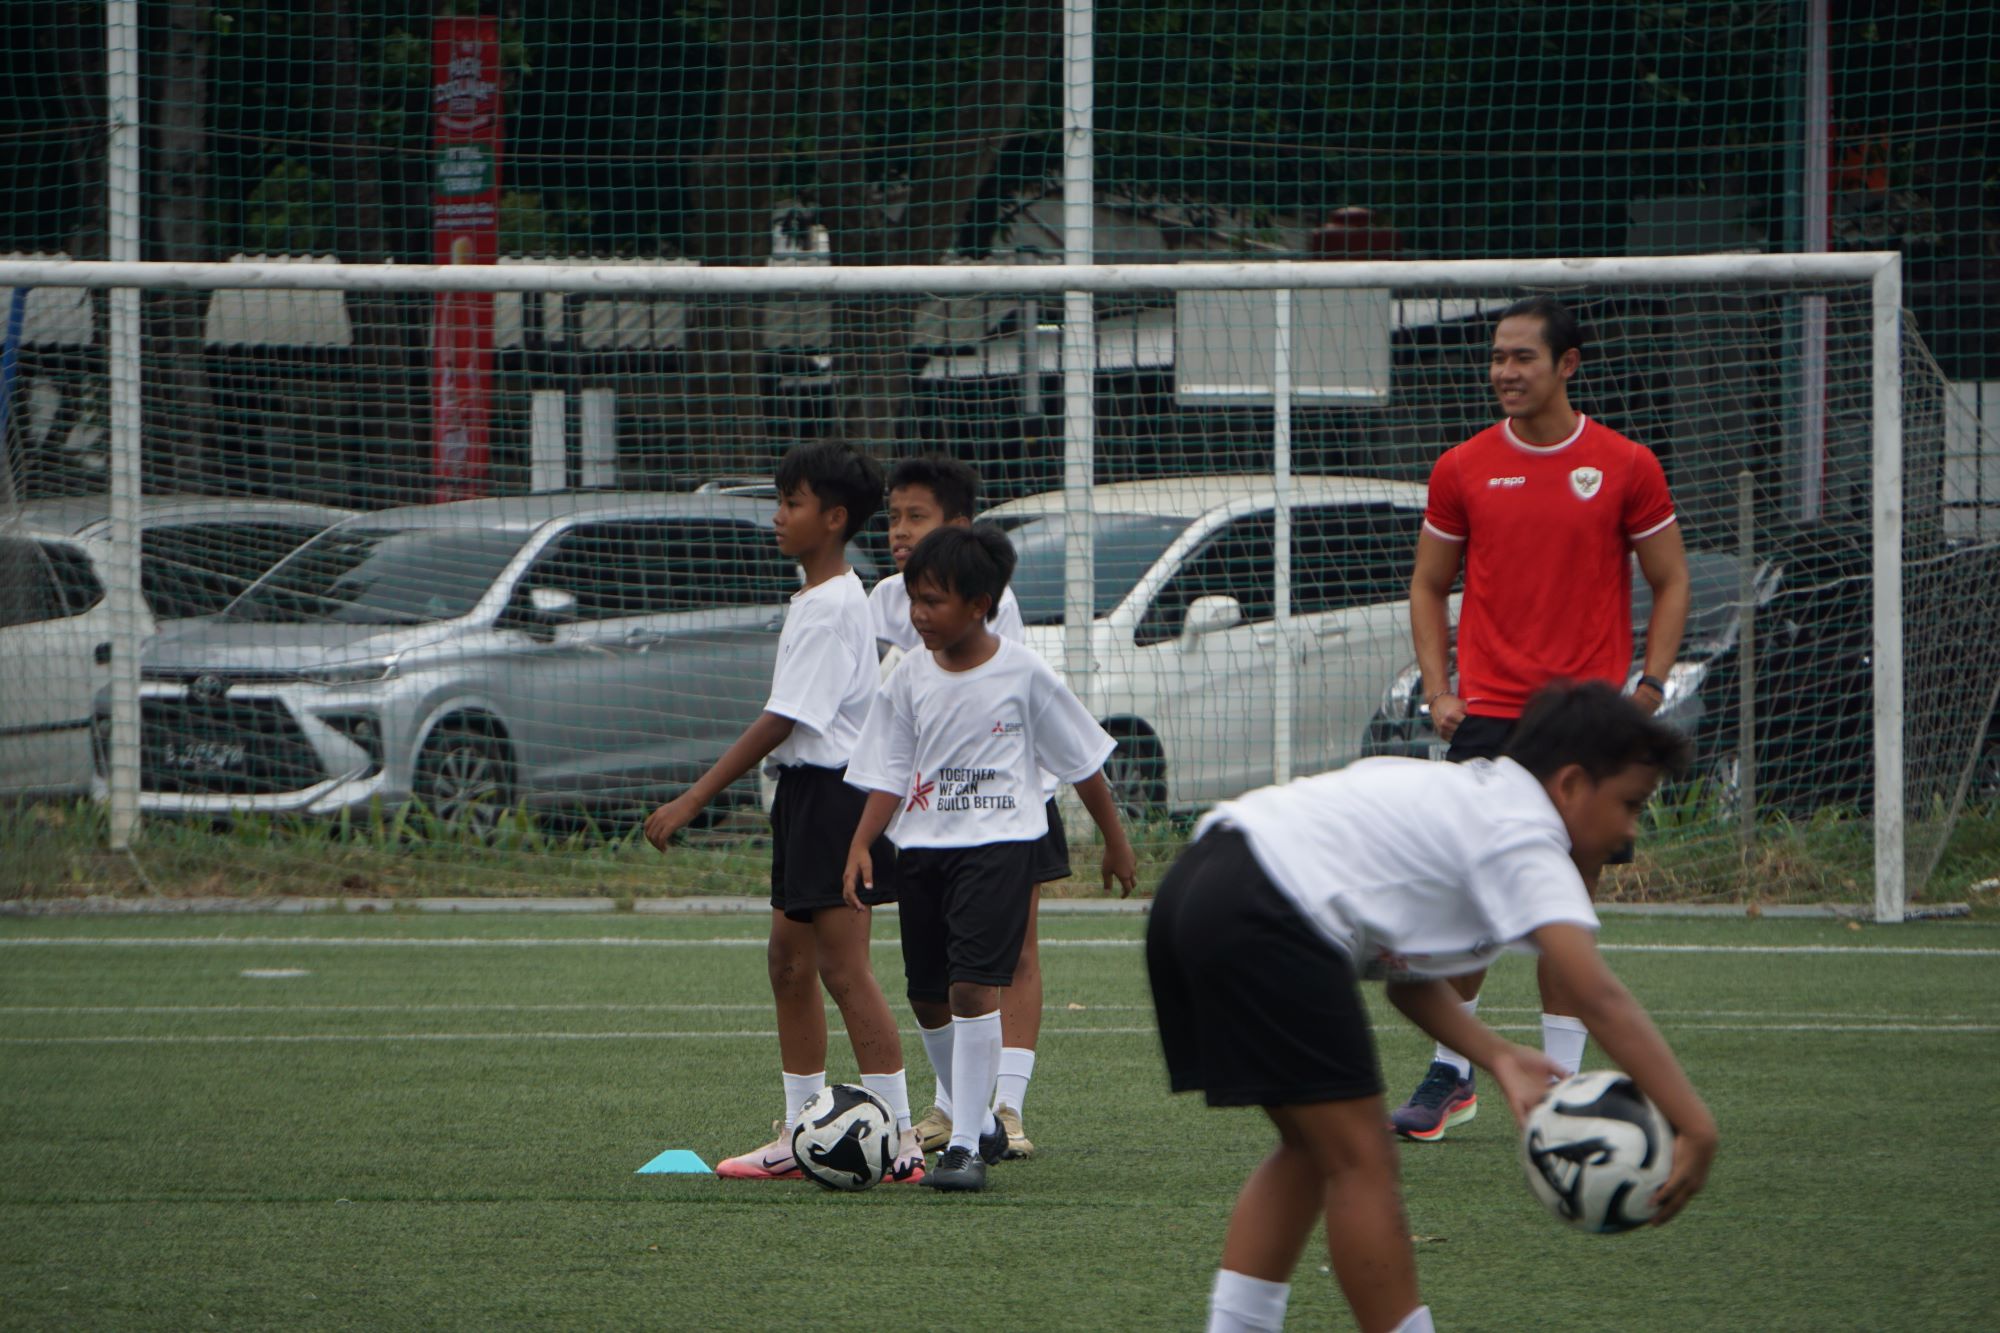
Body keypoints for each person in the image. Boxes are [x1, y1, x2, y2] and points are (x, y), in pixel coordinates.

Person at [1146, 682, 1718, 1333]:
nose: (1629, 829)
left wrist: (1498, 1055)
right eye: (1629, 803)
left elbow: (1406, 980)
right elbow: (1594, 990)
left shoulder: (1474, 801)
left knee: (1313, 1147)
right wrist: (1695, 1123)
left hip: (1198, 885)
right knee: (1363, 1157)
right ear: (1570, 784)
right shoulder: (1525, 830)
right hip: (1265, 902)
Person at [1394, 295, 1692, 1142]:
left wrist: (1649, 688)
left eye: (1522, 357)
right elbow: (1428, 583)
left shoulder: (1626, 464)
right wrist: (1438, 686)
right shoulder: (1462, 466)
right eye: (1496, 357)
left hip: (1588, 720)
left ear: (1568, 365)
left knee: (1567, 897)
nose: (1504, 372)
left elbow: (1670, 579)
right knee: (1468, 896)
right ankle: (1453, 1074)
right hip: (1488, 713)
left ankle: (1562, 1084)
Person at [642, 440, 922, 1184]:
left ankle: (900, 1141)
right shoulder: (817, 598)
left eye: (791, 503)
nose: (777, 517)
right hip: (806, 796)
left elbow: (783, 718)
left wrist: (696, 796)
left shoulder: (834, 606)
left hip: (837, 797)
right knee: (788, 962)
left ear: (833, 518)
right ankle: (804, 1132)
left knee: (843, 968)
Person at [843, 524, 1138, 1192]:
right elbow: (890, 768)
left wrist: (1115, 841)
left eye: (933, 600)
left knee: (973, 985)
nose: (917, 613)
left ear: (979, 604)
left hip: (1001, 846)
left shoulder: (1023, 672)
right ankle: (973, 1115)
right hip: (921, 849)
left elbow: (1082, 762)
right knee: (927, 993)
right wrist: (862, 840)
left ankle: (966, 1144)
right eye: (914, 599)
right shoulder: (909, 676)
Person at [869, 455, 1060, 1160]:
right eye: (892, 516)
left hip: (1011, 796)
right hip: (933, 810)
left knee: (1010, 954)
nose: (898, 530)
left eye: (915, 516)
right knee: (941, 971)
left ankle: (1004, 1104)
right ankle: (957, 1108)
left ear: (959, 526)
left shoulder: (988, 599)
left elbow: (1006, 702)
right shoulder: (886, 599)